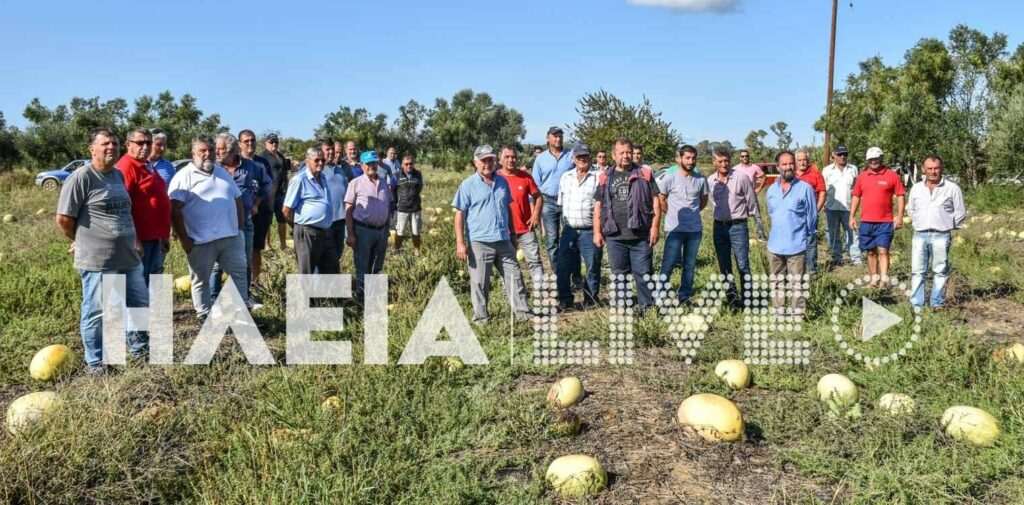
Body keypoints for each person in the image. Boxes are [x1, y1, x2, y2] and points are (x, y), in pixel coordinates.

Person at [56, 127, 147, 374]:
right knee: (97, 312)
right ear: (92, 149)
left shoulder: (117, 175)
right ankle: (96, 364)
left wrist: (135, 239)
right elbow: (63, 218)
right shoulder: (81, 177)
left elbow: (125, 212)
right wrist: (80, 239)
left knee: (139, 303)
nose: (111, 147)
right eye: (105, 143)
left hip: (128, 256)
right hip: (98, 260)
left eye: (114, 143)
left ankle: (140, 350)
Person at [168, 136, 248, 320]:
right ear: (193, 153)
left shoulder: (221, 172)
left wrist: (240, 228)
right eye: (202, 150)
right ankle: (204, 314)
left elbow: (236, 197)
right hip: (200, 241)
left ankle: (242, 312)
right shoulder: (183, 176)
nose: (207, 154)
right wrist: (184, 240)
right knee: (200, 280)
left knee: (239, 274)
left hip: (230, 238)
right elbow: (173, 209)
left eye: (210, 150)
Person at [453, 145, 532, 323]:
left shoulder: (502, 182)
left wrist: (512, 233)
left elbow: (507, 208)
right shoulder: (467, 185)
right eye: (483, 160)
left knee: (515, 276)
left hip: (503, 239)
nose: (487, 164)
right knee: (480, 282)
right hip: (479, 242)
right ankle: (481, 319)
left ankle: (523, 314)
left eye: (490, 160)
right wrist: (460, 242)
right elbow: (459, 214)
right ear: (476, 163)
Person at [593, 137, 662, 313]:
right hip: (614, 236)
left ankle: (648, 310)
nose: (625, 156)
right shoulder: (605, 177)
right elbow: (598, 206)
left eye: (628, 152)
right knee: (619, 275)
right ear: (613, 155)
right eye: (621, 152)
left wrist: (655, 227)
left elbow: (656, 202)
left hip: (640, 236)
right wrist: (597, 232)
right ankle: (623, 309)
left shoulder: (645, 174)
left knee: (644, 273)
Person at [211, 133, 269, 306]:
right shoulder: (212, 167)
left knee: (244, 261)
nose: (217, 152)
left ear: (231, 150)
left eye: (221, 149)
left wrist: (256, 204)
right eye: (216, 149)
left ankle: (243, 298)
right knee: (216, 264)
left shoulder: (251, 166)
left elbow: (266, 185)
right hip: (218, 224)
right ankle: (213, 300)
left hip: (243, 223)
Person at [907, 155, 966, 310]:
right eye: (929, 168)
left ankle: (937, 303)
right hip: (920, 234)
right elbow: (911, 210)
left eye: (936, 168)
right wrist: (920, 222)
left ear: (941, 168)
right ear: (923, 169)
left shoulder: (952, 188)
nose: (933, 172)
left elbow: (960, 212)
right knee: (918, 271)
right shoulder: (916, 188)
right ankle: (917, 304)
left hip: (941, 234)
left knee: (940, 270)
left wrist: (948, 225)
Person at [115, 127, 170, 286]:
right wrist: (134, 239)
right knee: (138, 284)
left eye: (148, 143)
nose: (145, 147)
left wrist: (164, 234)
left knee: (157, 278)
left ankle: (160, 304)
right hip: (140, 240)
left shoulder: (147, 165)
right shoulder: (126, 167)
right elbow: (120, 209)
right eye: (140, 143)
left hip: (155, 237)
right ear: (128, 144)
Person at [765, 151, 818, 310]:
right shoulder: (771, 190)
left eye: (791, 163)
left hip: (796, 245)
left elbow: (812, 216)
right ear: (778, 167)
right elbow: (771, 213)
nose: (788, 167)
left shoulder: (805, 188)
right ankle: (779, 311)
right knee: (777, 281)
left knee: (797, 283)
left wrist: (806, 236)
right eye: (784, 164)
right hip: (774, 245)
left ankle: (798, 314)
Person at [658, 145, 709, 304]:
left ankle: (684, 297)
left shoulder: (701, 180)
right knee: (668, 263)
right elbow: (661, 199)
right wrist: (671, 214)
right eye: (687, 158)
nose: (691, 161)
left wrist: (691, 215)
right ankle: (660, 295)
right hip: (674, 230)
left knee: (690, 265)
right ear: (679, 159)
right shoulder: (669, 178)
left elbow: (703, 202)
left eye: (693, 158)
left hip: (694, 231)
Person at [849, 147, 906, 288]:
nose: (873, 162)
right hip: (866, 221)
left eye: (876, 159)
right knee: (870, 252)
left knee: (883, 250)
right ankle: (874, 280)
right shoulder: (862, 176)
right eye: (870, 160)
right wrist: (852, 216)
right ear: (867, 161)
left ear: (881, 158)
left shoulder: (891, 175)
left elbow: (900, 195)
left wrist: (899, 216)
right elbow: (856, 196)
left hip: (885, 222)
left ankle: (884, 280)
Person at [709, 147, 757, 307]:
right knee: (724, 265)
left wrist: (746, 216)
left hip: (738, 226)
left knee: (743, 264)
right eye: (720, 161)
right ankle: (732, 299)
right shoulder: (710, 181)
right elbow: (711, 201)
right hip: (719, 227)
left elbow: (751, 200)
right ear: (714, 162)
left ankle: (748, 300)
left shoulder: (741, 178)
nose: (724, 164)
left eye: (726, 161)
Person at [556, 144, 603, 310]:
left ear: (590, 157)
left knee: (592, 266)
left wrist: (599, 231)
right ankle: (565, 299)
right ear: (573, 159)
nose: (582, 159)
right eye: (578, 156)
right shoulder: (566, 177)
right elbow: (561, 204)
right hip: (569, 229)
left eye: (585, 156)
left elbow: (603, 205)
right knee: (563, 265)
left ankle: (590, 299)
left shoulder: (599, 177)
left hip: (590, 230)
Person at [345, 151, 392, 299]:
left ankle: (373, 292)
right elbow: (348, 210)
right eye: (368, 163)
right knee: (362, 264)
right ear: (362, 165)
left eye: (374, 162)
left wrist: (387, 228)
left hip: (381, 231)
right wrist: (350, 234)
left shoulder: (384, 183)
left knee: (377, 264)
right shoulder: (356, 183)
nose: (372, 166)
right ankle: (361, 295)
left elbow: (387, 206)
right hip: (363, 231)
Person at [283, 148, 337, 275]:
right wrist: (297, 227)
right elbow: (286, 210)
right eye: (316, 160)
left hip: (325, 232)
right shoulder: (299, 180)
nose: (321, 163)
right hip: (307, 232)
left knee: (332, 268)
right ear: (307, 161)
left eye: (323, 160)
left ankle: (326, 289)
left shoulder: (323, 177)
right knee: (307, 272)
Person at [497, 146, 545, 281]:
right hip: (504, 231)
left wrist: (535, 215)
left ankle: (540, 290)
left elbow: (538, 197)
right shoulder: (495, 178)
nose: (510, 160)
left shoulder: (525, 177)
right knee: (508, 265)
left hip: (525, 228)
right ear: (500, 159)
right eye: (507, 157)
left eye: (513, 157)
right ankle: (511, 291)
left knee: (535, 261)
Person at [532, 126, 574, 270]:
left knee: (570, 238)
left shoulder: (571, 156)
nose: (558, 138)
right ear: (548, 138)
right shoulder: (540, 159)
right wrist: (535, 209)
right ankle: (557, 273)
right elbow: (535, 185)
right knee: (552, 240)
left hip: (568, 201)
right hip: (548, 201)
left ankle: (572, 272)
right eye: (555, 136)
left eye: (560, 135)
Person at [240, 129, 274, 284]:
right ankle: (242, 282)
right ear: (240, 144)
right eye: (246, 141)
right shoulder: (236, 161)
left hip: (260, 211)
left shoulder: (262, 162)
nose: (250, 143)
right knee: (239, 249)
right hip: (241, 213)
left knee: (256, 247)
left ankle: (256, 282)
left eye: (252, 140)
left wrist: (264, 207)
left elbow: (268, 186)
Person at [822, 144, 861, 266]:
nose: (842, 157)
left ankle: (856, 259)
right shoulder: (827, 170)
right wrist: (823, 204)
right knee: (834, 234)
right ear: (834, 155)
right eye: (839, 154)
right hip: (831, 208)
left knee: (853, 233)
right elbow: (823, 189)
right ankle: (837, 258)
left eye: (845, 154)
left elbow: (856, 189)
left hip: (849, 208)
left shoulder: (853, 169)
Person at [318, 137, 352, 265]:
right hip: (325, 221)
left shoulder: (340, 169)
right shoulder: (317, 169)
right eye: (328, 149)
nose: (331, 152)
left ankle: (333, 275)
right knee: (326, 256)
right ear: (321, 151)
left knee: (337, 254)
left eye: (332, 149)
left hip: (341, 219)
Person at [259, 133, 292, 251]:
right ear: (266, 143)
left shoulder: (281, 156)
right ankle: (267, 245)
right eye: (271, 142)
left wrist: (287, 189)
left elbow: (285, 174)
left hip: (281, 193)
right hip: (268, 194)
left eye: (276, 142)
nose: (274, 144)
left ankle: (283, 245)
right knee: (267, 219)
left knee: (282, 218)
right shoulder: (262, 157)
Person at [795, 148, 826, 275]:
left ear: (808, 161)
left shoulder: (816, 174)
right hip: (794, 215)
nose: (802, 162)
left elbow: (822, 193)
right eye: (799, 160)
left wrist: (815, 211)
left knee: (810, 241)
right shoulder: (791, 175)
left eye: (805, 160)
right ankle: (797, 268)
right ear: (796, 161)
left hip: (810, 215)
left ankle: (812, 269)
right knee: (795, 241)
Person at [732, 148, 767, 241]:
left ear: (749, 157)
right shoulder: (735, 169)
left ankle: (761, 236)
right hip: (739, 196)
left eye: (746, 156)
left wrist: (759, 188)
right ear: (740, 157)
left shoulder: (755, 167)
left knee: (757, 216)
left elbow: (764, 177)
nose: (744, 158)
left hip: (751, 194)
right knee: (739, 216)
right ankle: (741, 236)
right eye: (742, 156)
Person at [394, 155, 425, 253]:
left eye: (411, 164)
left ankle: (417, 250)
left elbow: (420, 188)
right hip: (402, 208)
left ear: (413, 164)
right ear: (402, 165)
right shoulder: (396, 175)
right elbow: (393, 190)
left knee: (416, 230)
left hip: (415, 208)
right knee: (400, 231)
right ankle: (397, 251)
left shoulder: (418, 174)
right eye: (406, 164)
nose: (409, 166)